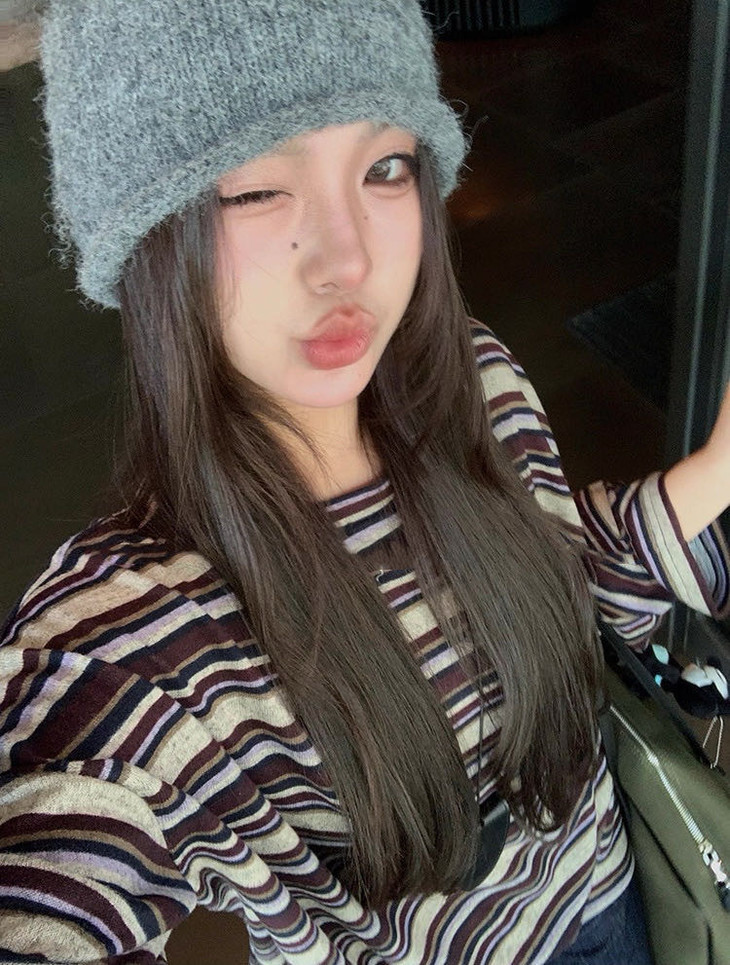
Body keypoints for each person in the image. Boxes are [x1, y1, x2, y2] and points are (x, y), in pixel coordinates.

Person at [1, 1, 729, 963]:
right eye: (255, 188)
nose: (349, 259)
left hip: (620, 898)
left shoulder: (477, 383)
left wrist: (718, 468)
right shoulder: (138, 640)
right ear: (143, 232)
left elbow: (569, 595)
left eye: (385, 167)